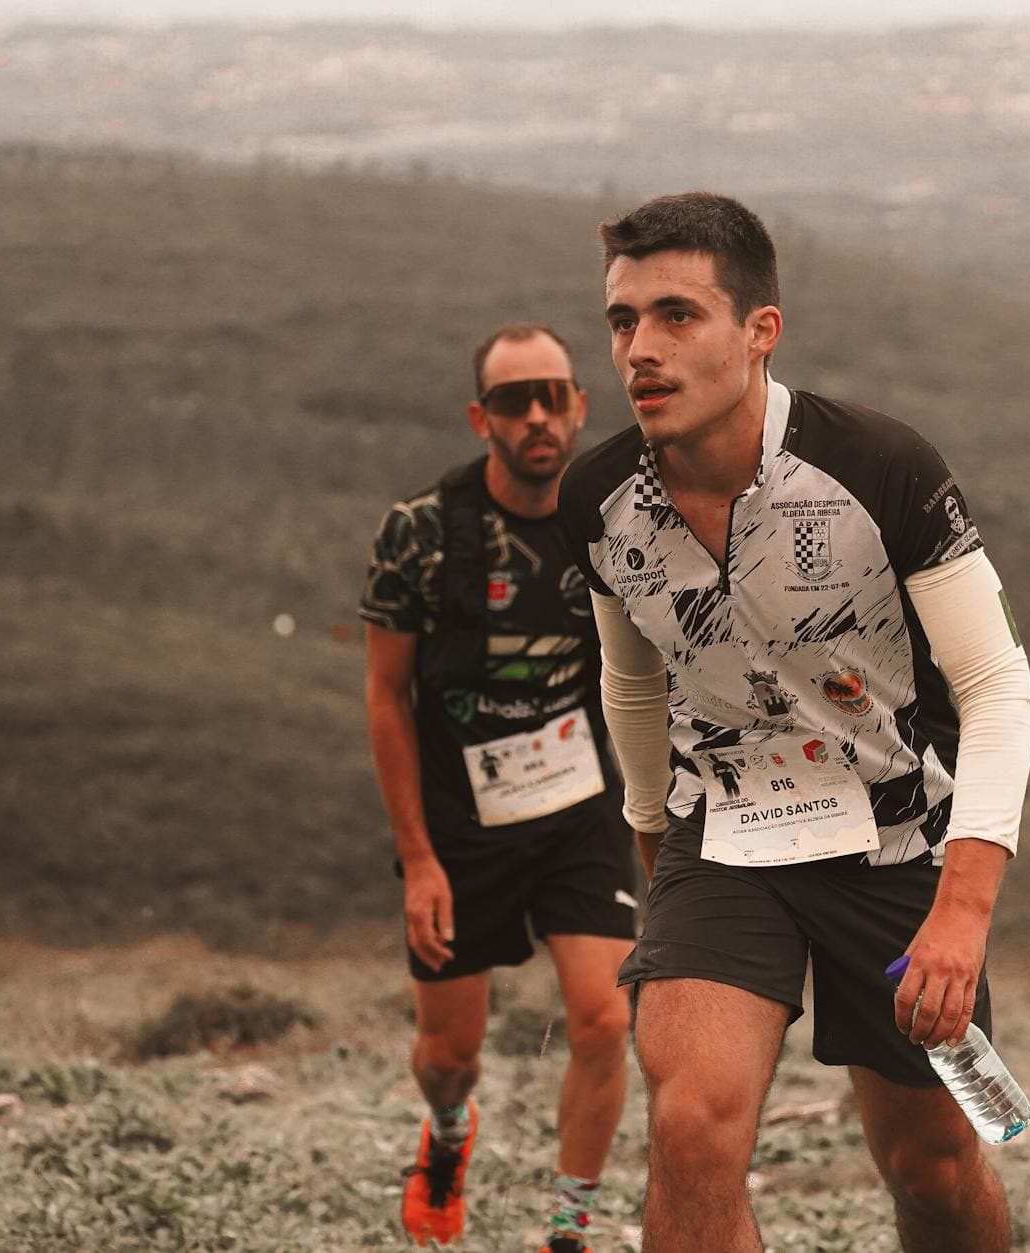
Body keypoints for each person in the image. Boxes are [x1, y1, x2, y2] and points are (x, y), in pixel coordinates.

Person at [557, 193, 1030, 1253]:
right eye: (622, 319)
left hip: (897, 839)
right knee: (688, 1132)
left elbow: (996, 684)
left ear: (758, 332)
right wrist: (652, 839)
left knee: (933, 1167)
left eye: (677, 315)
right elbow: (629, 676)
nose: (640, 347)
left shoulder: (881, 466)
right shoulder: (597, 499)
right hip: (720, 834)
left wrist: (962, 909)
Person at [361, 323, 636, 1253]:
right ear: (482, 418)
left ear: (580, 405)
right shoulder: (422, 535)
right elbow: (387, 696)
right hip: (459, 821)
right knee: (451, 1054)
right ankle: (445, 1137)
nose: (537, 417)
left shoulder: (614, 520)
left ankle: (567, 1226)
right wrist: (418, 862)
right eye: (514, 401)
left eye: (552, 394)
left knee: (604, 1015)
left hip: (577, 806)